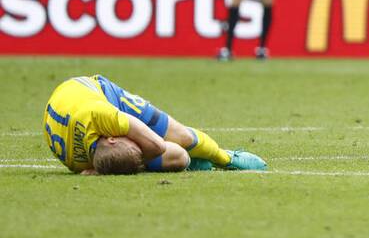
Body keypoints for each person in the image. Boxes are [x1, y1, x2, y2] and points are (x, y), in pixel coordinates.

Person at [43, 74, 266, 174]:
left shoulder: (100, 115)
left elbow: (158, 145)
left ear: (111, 137)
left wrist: (143, 152)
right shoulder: (79, 164)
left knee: (182, 137)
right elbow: (157, 150)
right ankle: (194, 160)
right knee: (180, 158)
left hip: (93, 92)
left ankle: (225, 158)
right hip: (69, 118)